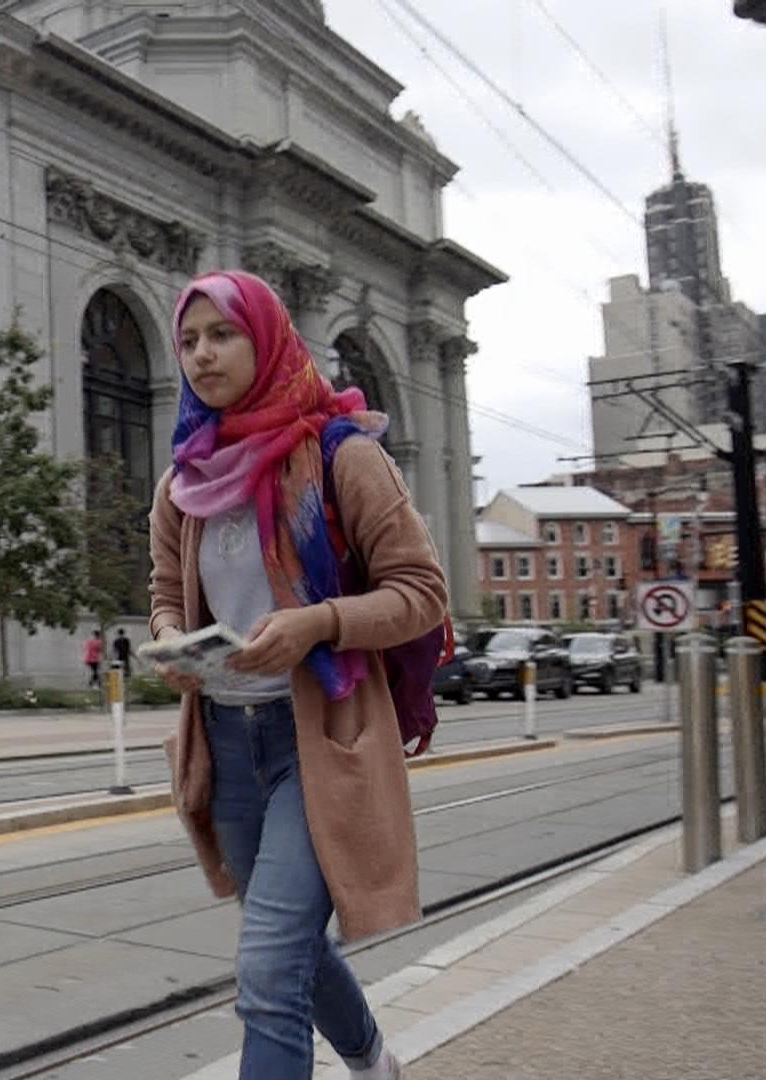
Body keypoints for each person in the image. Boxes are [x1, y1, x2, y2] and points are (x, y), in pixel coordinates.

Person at [146, 270, 446, 1080]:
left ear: (268, 337)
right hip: (224, 744)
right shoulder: (184, 483)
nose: (202, 355)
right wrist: (173, 641)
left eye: (223, 334)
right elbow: (164, 595)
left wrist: (320, 622)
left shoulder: (343, 457)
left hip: (318, 741)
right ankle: (372, 1058)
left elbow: (421, 593)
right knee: (289, 948)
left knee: (270, 974)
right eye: (188, 340)